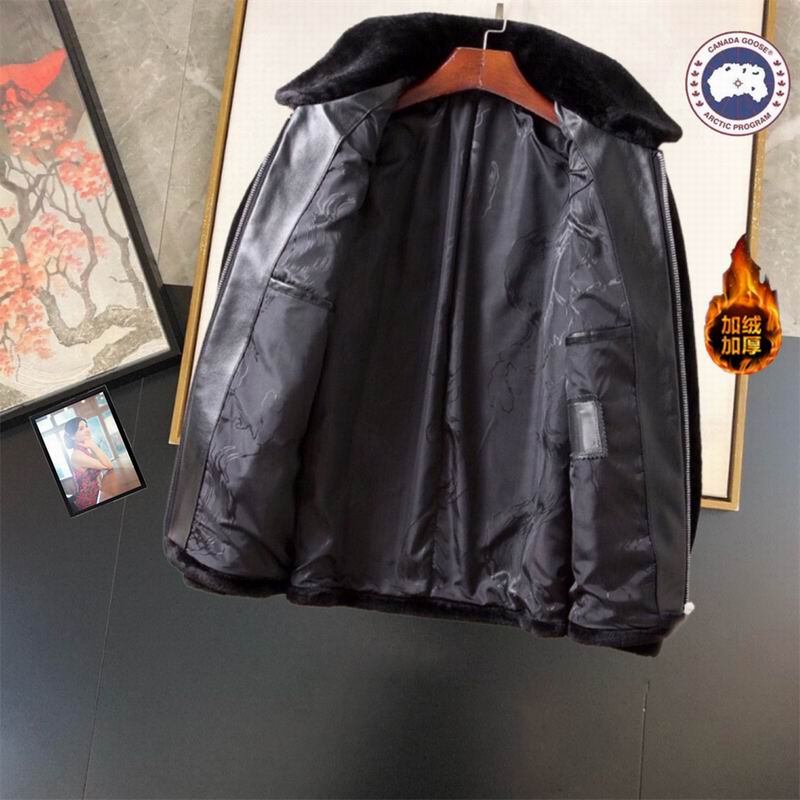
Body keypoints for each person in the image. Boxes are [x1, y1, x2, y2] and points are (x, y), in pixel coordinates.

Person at [63, 416, 114, 510]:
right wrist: (93, 445)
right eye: (81, 429)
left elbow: (106, 463)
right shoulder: (77, 455)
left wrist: (91, 446)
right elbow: (109, 466)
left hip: (98, 495)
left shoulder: (85, 450)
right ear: (72, 436)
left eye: (86, 426)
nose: (87, 430)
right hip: (88, 503)